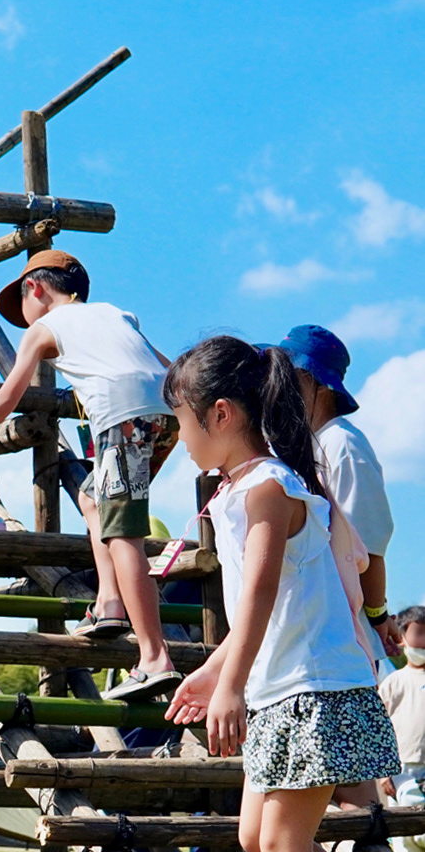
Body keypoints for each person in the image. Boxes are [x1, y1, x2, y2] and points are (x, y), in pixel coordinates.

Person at [162, 336, 399, 852]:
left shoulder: (270, 487)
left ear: (220, 414)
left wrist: (230, 683)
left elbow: (261, 590)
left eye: (181, 420)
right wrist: (213, 672)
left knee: (279, 845)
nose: (179, 437)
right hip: (279, 691)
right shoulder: (239, 489)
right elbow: (260, 603)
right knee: (255, 839)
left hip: (314, 689)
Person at [0, 250, 180, 701]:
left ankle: (154, 657)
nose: (25, 320)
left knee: (123, 533)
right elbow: (170, 368)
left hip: (123, 419)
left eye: (23, 306)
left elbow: (5, 399)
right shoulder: (118, 314)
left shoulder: (44, 327)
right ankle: (109, 602)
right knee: (94, 500)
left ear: (34, 288)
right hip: (166, 415)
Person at [277, 324, 399, 658]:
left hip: (344, 641)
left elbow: (367, 549)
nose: (278, 383)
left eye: (289, 374)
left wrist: (377, 614)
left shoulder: (343, 444)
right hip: (317, 634)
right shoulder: (310, 445)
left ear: (317, 383)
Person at [380, 606, 425, 815]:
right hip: (402, 767)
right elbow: (379, 727)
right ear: (402, 638)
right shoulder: (393, 682)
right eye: (419, 632)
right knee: (404, 822)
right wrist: (384, 771)